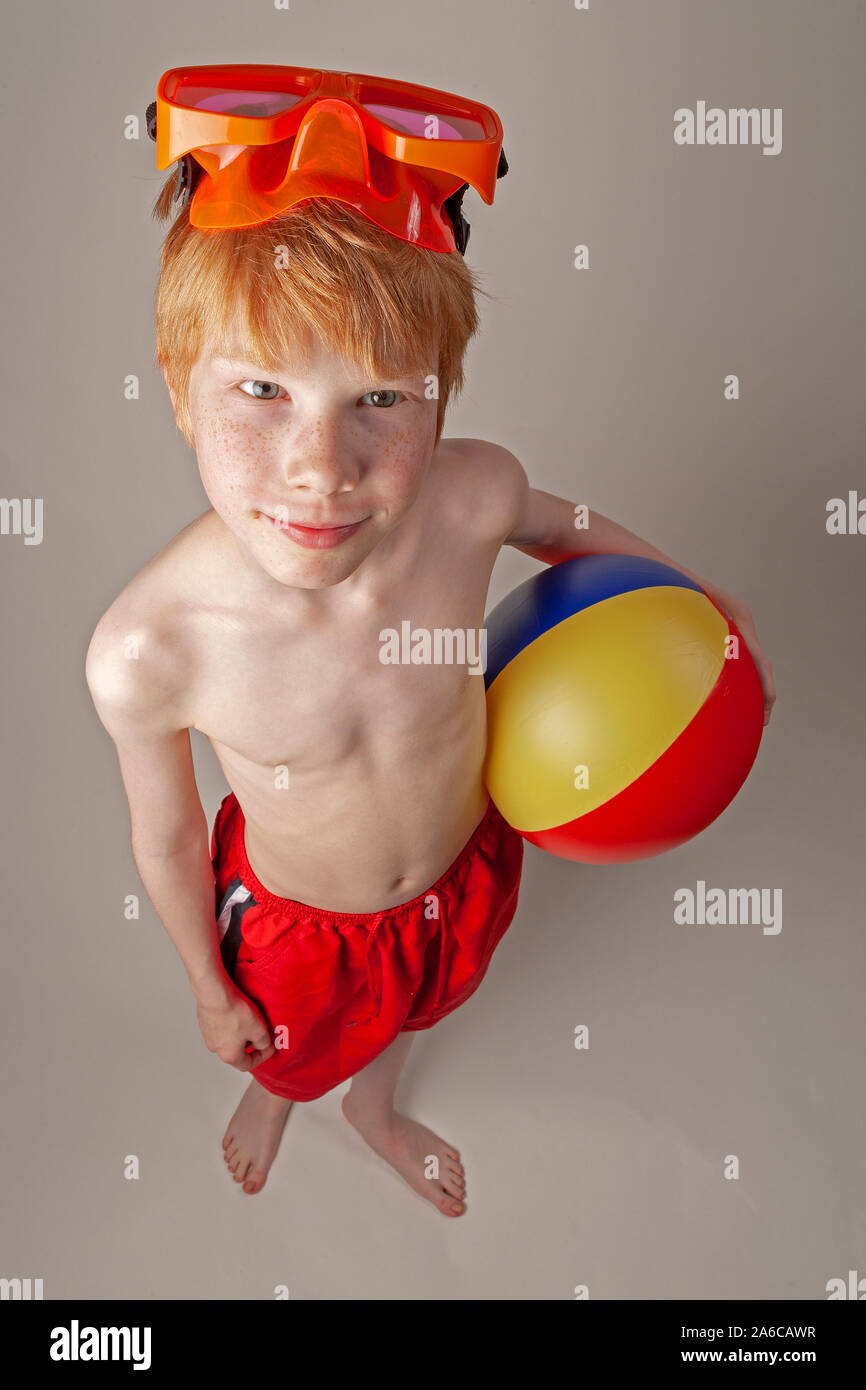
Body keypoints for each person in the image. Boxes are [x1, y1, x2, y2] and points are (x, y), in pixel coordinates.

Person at [86, 66, 775, 1214]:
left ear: (440, 400)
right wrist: (210, 985)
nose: (323, 464)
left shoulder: (471, 495)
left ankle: (375, 1102)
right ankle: (292, 1090)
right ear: (175, 388)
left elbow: (573, 529)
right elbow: (165, 839)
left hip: (462, 869)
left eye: (382, 400)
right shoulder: (151, 646)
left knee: (423, 998)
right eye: (261, 388)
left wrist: (695, 595)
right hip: (302, 933)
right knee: (291, 1041)